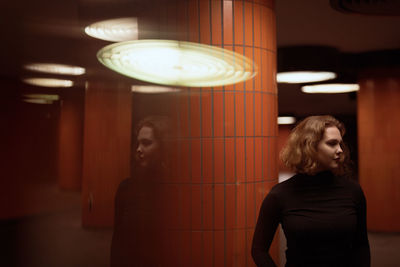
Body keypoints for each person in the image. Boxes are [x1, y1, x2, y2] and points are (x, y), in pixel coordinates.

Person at [251, 115, 370, 267]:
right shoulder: (280, 195)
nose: (340, 150)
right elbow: (259, 250)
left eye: (340, 144)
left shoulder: (353, 191)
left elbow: (361, 246)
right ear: (310, 146)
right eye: (332, 144)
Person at [110, 116, 171, 267]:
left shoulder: (172, 189)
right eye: (138, 143)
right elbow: (117, 240)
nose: (138, 149)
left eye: (146, 143)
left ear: (162, 147)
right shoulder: (126, 188)